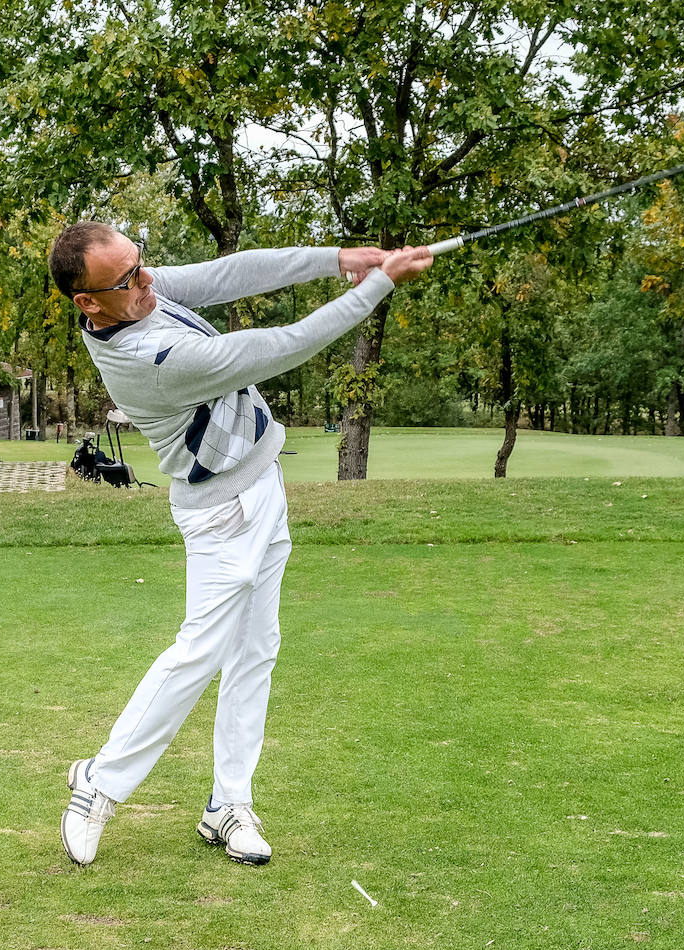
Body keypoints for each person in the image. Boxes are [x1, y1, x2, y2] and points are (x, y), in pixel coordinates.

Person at [47, 222, 432, 866]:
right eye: (128, 277)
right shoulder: (150, 361)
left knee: (256, 651)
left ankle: (228, 803)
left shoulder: (137, 291)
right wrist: (376, 286)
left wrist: (338, 259)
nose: (148, 280)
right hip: (219, 511)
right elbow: (282, 345)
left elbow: (234, 272)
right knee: (199, 652)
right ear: (89, 301)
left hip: (264, 485)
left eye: (142, 265)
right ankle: (101, 783)